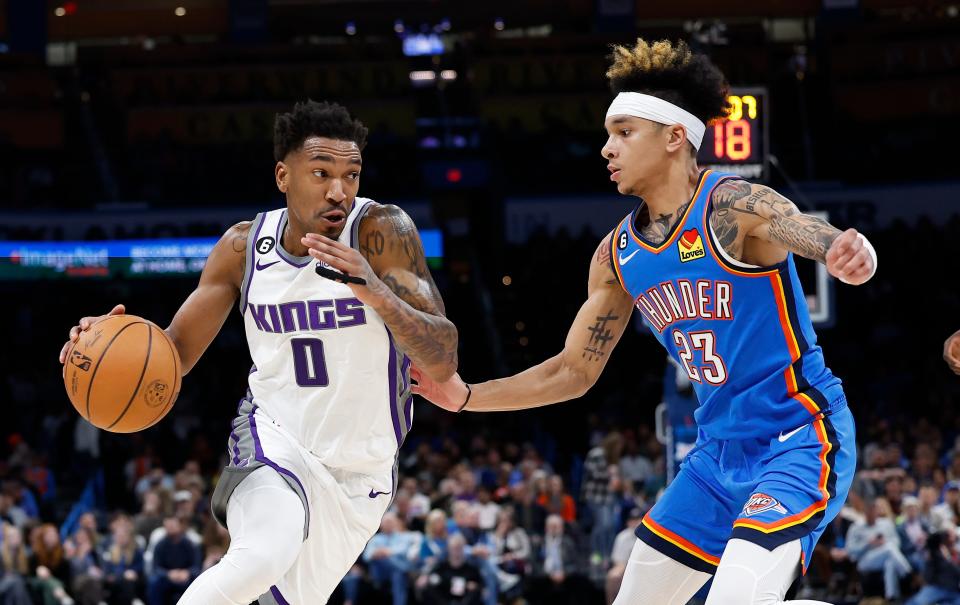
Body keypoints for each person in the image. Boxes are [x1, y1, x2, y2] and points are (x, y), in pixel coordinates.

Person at [412, 38, 877, 605]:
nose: (607, 149)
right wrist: (466, 397)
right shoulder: (617, 257)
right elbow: (572, 372)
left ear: (675, 136)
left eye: (624, 132)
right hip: (714, 455)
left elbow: (799, 227)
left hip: (798, 437)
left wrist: (841, 251)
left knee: (736, 598)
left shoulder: (731, 207)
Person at [58, 100, 458, 605]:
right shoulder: (243, 249)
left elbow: (443, 358)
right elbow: (173, 356)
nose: (339, 191)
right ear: (282, 176)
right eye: (321, 173)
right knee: (265, 552)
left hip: (364, 469)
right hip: (273, 439)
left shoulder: (381, 232)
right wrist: (102, 347)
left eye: (350, 175)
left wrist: (375, 290)